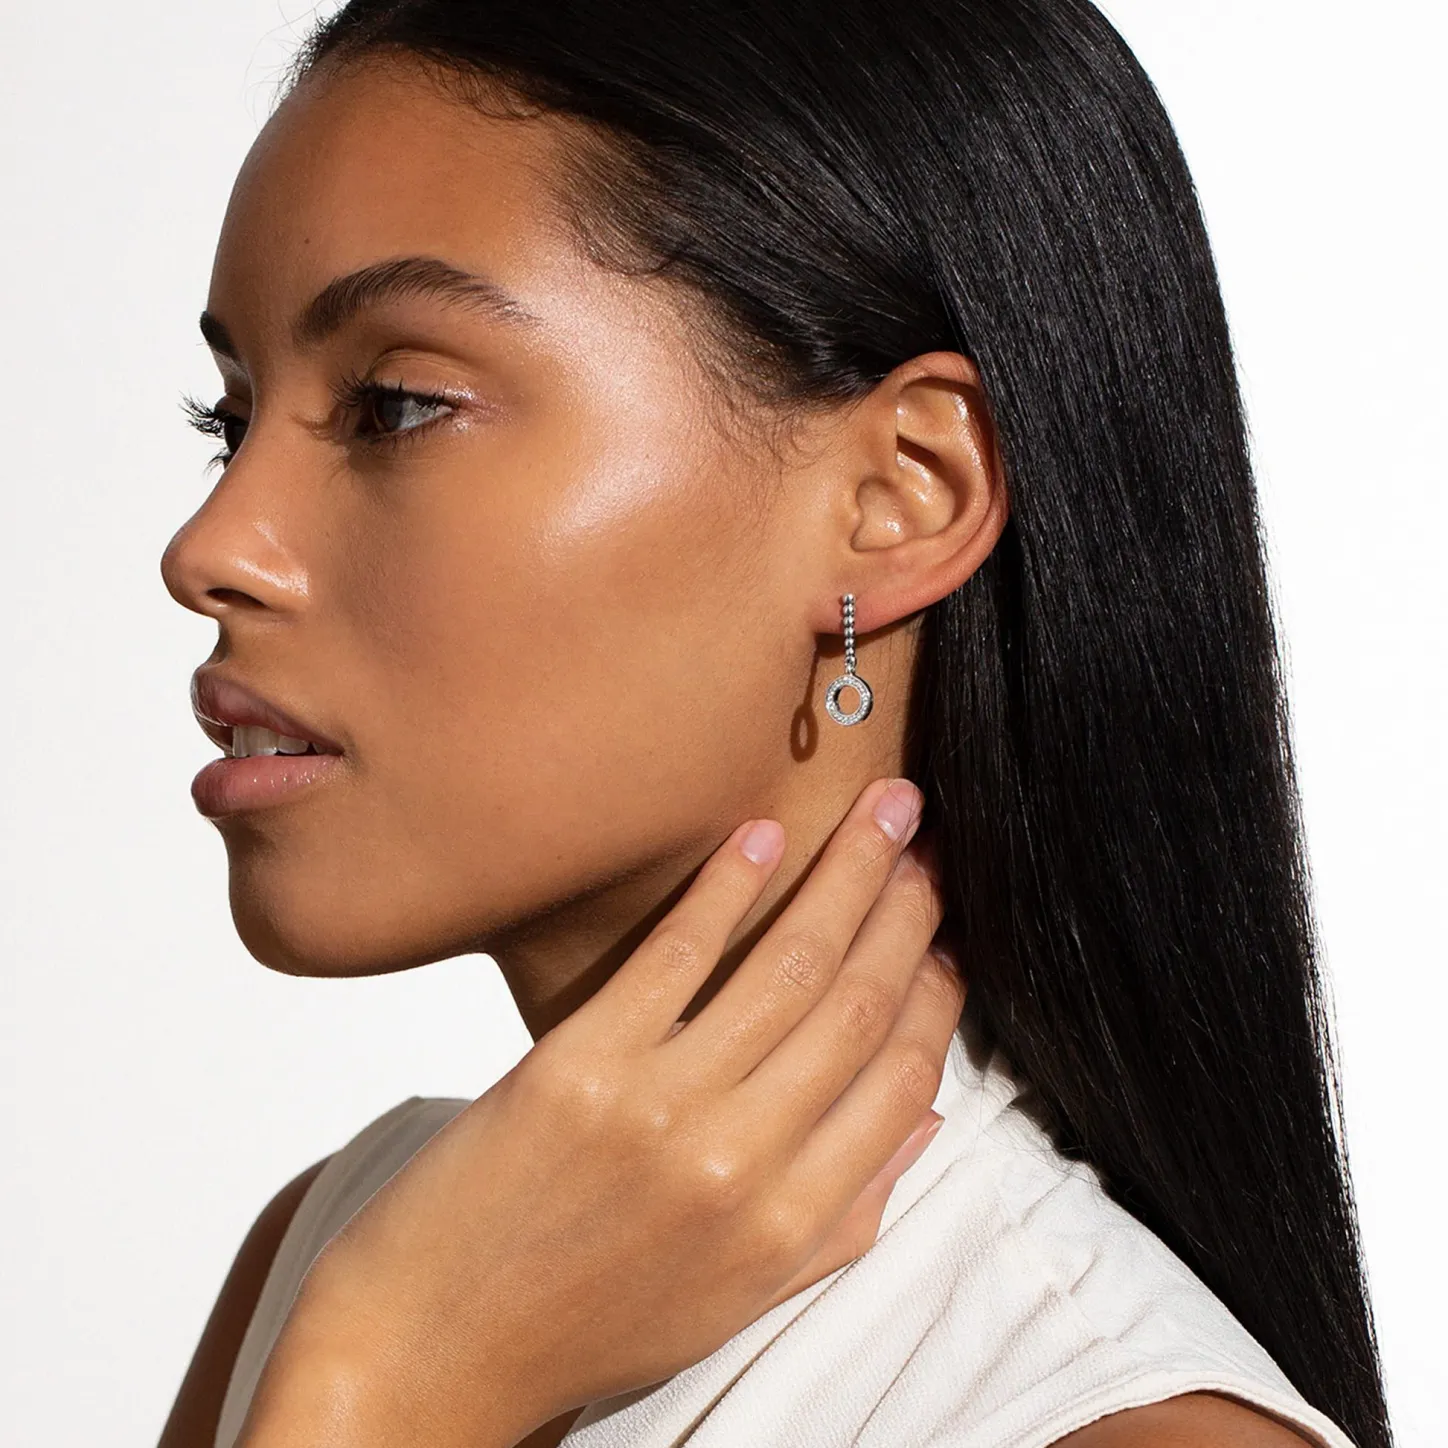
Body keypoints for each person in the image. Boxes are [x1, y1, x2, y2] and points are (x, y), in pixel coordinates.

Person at [154, 2, 1393, 1446]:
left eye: (397, 404)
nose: (209, 547)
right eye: (229, 421)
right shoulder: (345, 1250)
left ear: (899, 497)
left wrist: (395, 1386)